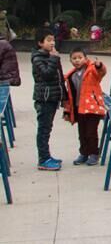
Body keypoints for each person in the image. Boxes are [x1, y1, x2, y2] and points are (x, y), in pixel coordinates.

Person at [62, 47, 106, 166]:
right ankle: (84, 153)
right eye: (74, 58)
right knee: (82, 132)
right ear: (70, 60)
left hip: (92, 107)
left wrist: (99, 65)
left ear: (86, 59)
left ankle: (94, 153)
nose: (77, 60)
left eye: (80, 58)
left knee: (91, 132)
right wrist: (68, 109)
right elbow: (70, 94)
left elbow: (101, 72)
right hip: (79, 107)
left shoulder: (92, 70)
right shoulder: (71, 75)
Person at [32, 26, 65, 170]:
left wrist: (63, 95)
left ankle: (47, 156)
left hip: (52, 97)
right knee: (44, 129)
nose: (52, 43)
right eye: (49, 40)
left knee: (47, 128)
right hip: (44, 99)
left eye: (53, 40)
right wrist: (53, 59)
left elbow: (58, 77)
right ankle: (43, 159)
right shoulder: (38, 58)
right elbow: (46, 74)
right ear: (40, 43)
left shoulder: (50, 56)